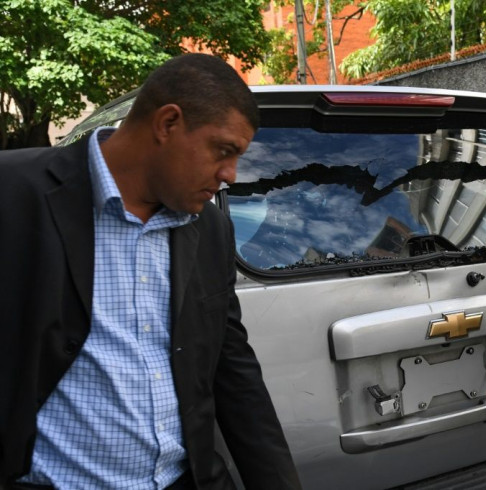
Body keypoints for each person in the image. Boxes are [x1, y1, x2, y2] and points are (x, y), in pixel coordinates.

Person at [0, 54, 301, 489]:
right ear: (168, 123)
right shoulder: (14, 193)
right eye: (224, 150)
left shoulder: (210, 227)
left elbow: (233, 370)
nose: (231, 175)